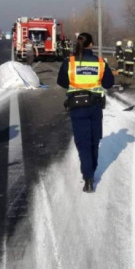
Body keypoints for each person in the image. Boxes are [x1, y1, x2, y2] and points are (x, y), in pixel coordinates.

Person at [57, 32, 114, 193]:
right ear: (91, 44)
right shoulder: (101, 63)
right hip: (95, 108)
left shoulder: (69, 62)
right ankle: (92, 171)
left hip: (77, 107)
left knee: (83, 143)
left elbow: (61, 82)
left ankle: (88, 178)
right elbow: (109, 83)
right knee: (94, 141)